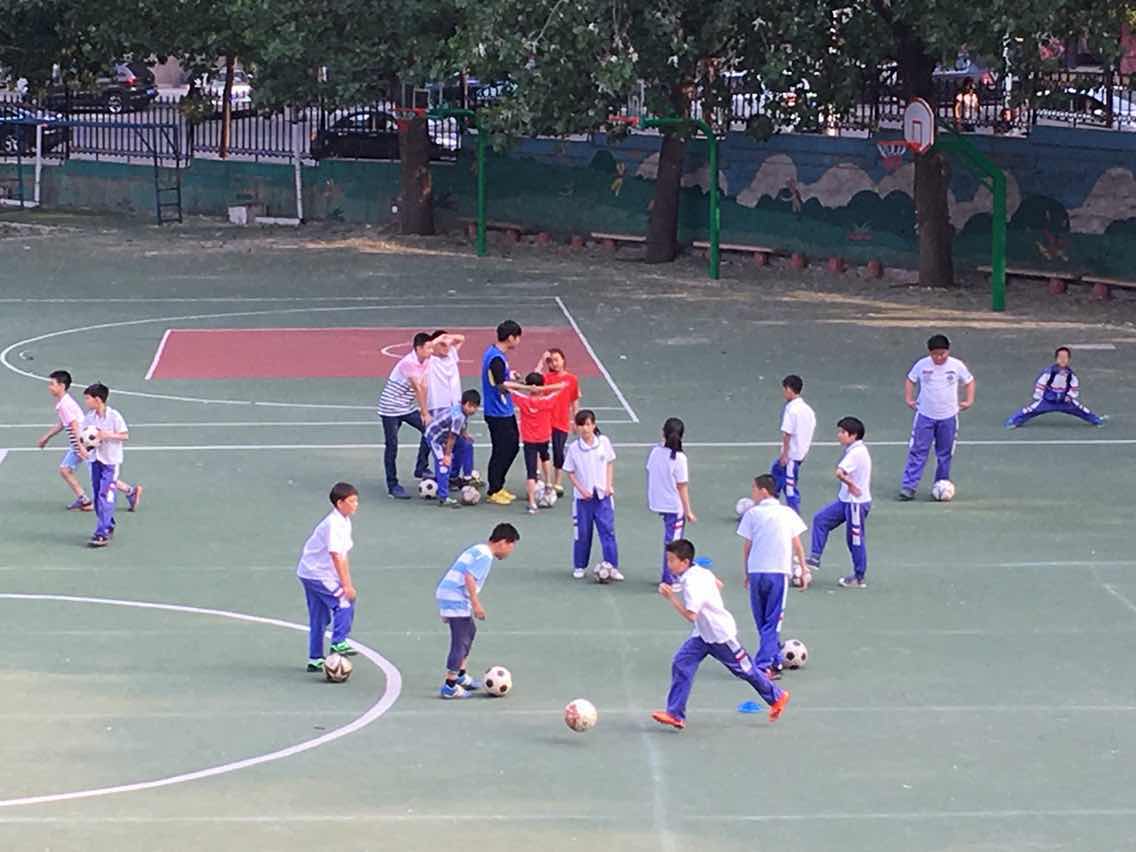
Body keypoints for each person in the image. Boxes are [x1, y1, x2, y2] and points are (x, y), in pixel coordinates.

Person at [651, 539, 790, 730]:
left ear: (684, 562)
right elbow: (718, 584)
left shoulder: (692, 583)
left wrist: (672, 598)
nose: (669, 564)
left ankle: (777, 696)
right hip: (703, 634)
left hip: (720, 635)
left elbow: (691, 615)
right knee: (681, 662)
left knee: (746, 669)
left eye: (672, 560)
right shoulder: (698, 571)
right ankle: (675, 714)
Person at [435, 523, 521, 699]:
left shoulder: (479, 549)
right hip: (455, 596)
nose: (511, 551)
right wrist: (476, 604)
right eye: (511, 546)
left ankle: (460, 674)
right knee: (460, 640)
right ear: (503, 542)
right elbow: (469, 577)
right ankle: (450, 686)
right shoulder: (485, 556)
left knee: (469, 631)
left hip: (450, 594)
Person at [737, 474, 807, 678]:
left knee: (762, 620)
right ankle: (767, 664)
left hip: (757, 571)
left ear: (764, 491)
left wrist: (747, 573)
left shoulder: (752, 515)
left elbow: (747, 546)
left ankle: (770, 662)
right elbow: (797, 544)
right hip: (778, 572)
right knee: (772, 621)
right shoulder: (787, 513)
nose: (753, 493)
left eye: (754, 489)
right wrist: (803, 569)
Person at [899, 334, 975, 501]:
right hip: (925, 416)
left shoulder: (956, 366)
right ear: (929, 352)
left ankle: (941, 484)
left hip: (948, 417)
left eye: (942, 354)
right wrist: (909, 398)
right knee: (918, 451)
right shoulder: (922, 365)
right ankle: (909, 486)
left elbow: (969, 381)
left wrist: (969, 400)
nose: (939, 357)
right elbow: (910, 380)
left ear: (948, 351)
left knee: (945, 452)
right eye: (935, 354)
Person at [296, 482, 360, 673]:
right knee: (345, 602)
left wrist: (344, 580)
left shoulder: (344, 521)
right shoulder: (334, 524)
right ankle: (339, 641)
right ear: (340, 503)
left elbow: (343, 554)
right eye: (352, 501)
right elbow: (336, 555)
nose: (356, 504)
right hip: (317, 573)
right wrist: (346, 586)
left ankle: (315, 658)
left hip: (309, 571)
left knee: (319, 616)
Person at [807, 417, 872, 589]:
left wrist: (851, 485)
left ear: (853, 435)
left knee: (855, 541)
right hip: (845, 502)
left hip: (856, 505)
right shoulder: (854, 450)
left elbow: (839, 472)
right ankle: (814, 558)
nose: (839, 435)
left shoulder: (856, 453)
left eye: (843, 432)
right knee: (821, 519)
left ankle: (859, 577)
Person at [563, 409, 621, 581]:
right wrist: (581, 490)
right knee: (582, 533)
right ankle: (580, 565)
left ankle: (612, 566)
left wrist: (609, 485)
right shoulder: (574, 448)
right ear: (576, 427)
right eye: (581, 425)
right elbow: (571, 472)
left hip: (603, 497)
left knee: (608, 532)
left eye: (588, 424)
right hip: (583, 500)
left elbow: (609, 463)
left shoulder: (604, 442)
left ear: (594, 425)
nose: (585, 429)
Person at [379, 332, 434, 499]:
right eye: (428, 348)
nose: (431, 351)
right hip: (390, 408)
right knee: (392, 445)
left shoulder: (426, 361)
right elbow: (418, 387)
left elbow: (425, 386)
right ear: (418, 348)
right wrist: (424, 413)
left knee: (430, 430)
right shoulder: (408, 363)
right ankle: (392, 485)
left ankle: (421, 468)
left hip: (406, 407)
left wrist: (427, 412)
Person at [81, 383, 136, 547]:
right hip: (96, 461)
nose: (86, 401)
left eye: (87, 398)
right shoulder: (89, 417)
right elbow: (84, 436)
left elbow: (125, 435)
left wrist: (106, 435)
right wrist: (84, 448)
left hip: (110, 462)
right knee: (98, 496)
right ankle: (108, 523)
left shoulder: (114, 416)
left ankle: (101, 533)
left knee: (105, 496)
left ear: (97, 399)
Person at [645, 417, 697, 585]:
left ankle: (670, 575)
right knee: (674, 543)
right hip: (673, 505)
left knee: (672, 540)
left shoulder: (655, 452)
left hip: (657, 500)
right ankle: (670, 578)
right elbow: (682, 487)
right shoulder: (680, 459)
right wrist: (687, 510)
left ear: (663, 433)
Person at [419, 330, 473, 487]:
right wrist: (437, 340)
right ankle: (427, 468)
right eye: (442, 345)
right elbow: (427, 349)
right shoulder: (430, 361)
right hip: (437, 405)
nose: (446, 347)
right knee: (436, 438)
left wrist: (448, 339)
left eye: (447, 344)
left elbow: (462, 337)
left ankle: (453, 475)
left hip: (455, 405)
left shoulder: (452, 354)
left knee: (458, 434)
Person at [1004, 346, 1105, 428]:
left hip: (1064, 401)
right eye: (1060, 358)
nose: (1063, 360)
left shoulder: (1070, 374)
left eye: (1065, 358)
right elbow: (1041, 383)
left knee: (1081, 410)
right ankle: (1014, 421)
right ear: (1056, 359)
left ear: (1069, 359)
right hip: (1049, 400)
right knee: (1030, 410)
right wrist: (1039, 395)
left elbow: (1074, 385)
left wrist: (1069, 396)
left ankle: (1096, 420)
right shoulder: (1049, 372)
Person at [37, 369, 92, 511]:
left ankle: (130, 492)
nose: (49, 387)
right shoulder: (64, 402)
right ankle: (85, 500)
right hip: (78, 444)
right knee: (65, 470)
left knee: (100, 474)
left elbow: (74, 424)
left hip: (83, 444)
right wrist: (46, 437)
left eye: (52, 384)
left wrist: (80, 447)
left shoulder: (64, 405)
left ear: (61, 386)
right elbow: (63, 423)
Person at [512, 372, 566, 514]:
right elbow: (562, 386)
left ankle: (531, 504)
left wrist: (527, 387)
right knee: (545, 456)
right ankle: (548, 483)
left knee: (531, 473)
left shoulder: (523, 400)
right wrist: (541, 389)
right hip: (543, 437)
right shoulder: (547, 400)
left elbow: (506, 386)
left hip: (529, 440)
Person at [482, 320, 524, 504]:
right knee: (501, 450)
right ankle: (494, 489)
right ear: (510, 338)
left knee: (512, 446)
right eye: (518, 338)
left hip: (505, 411)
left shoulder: (497, 355)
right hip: (497, 412)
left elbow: (501, 377)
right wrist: (526, 388)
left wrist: (511, 376)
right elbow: (501, 386)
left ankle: (499, 485)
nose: (519, 341)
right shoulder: (496, 358)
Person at [423, 389, 481, 507]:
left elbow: (462, 426)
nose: (473, 410)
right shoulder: (458, 416)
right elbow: (452, 437)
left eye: (476, 407)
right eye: (471, 406)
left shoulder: (462, 410)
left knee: (466, 444)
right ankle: (443, 497)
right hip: (435, 439)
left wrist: (465, 435)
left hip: (444, 435)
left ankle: (464, 477)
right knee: (443, 465)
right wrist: (447, 455)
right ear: (465, 404)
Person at [770, 374, 816, 515]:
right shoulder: (808, 410)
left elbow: (787, 434)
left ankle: (794, 514)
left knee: (790, 486)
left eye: (784, 389)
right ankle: (770, 504)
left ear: (789, 389)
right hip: (800, 452)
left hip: (791, 455)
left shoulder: (791, 409)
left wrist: (785, 455)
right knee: (775, 474)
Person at [539, 348, 580, 496]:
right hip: (545, 420)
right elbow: (533, 383)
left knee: (558, 451)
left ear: (563, 360)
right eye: (551, 361)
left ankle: (558, 482)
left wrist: (576, 421)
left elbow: (574, 402)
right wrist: (541, 362)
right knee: (542, 450)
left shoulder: (572, 379)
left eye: (557, 360)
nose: (554, 363)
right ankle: (543, 480)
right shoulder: (545, 378)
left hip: (562, 421)